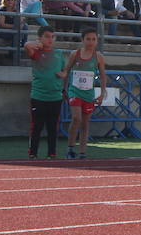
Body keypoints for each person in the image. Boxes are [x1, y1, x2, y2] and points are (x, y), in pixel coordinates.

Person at [62, 27, 107, 159]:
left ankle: (82, 152)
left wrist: (102, 93)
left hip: (89, 93)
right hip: (74, 91)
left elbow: (103, 76)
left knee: (85, 123)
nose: (91, 42)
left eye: (93, 39)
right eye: (88, 39)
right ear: (82, 40)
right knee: (76, 118)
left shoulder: (99, 57)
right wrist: (63, 89)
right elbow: (67, 70)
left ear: (97, 41)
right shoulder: (75, 54)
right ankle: (70, 148)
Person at [24, 26, 66, 159]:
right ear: (40, 38)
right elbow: (26, 46)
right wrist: (38, 44)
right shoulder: (36, 52)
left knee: (52, 128)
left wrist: (63, 74)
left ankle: (52, 153)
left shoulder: (58, 53)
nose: (50, 39)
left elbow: (65, 70)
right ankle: (33, 153)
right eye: (47, 36)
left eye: (52, 37)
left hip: (55, 96)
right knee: (36, 127)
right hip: (39, 96)